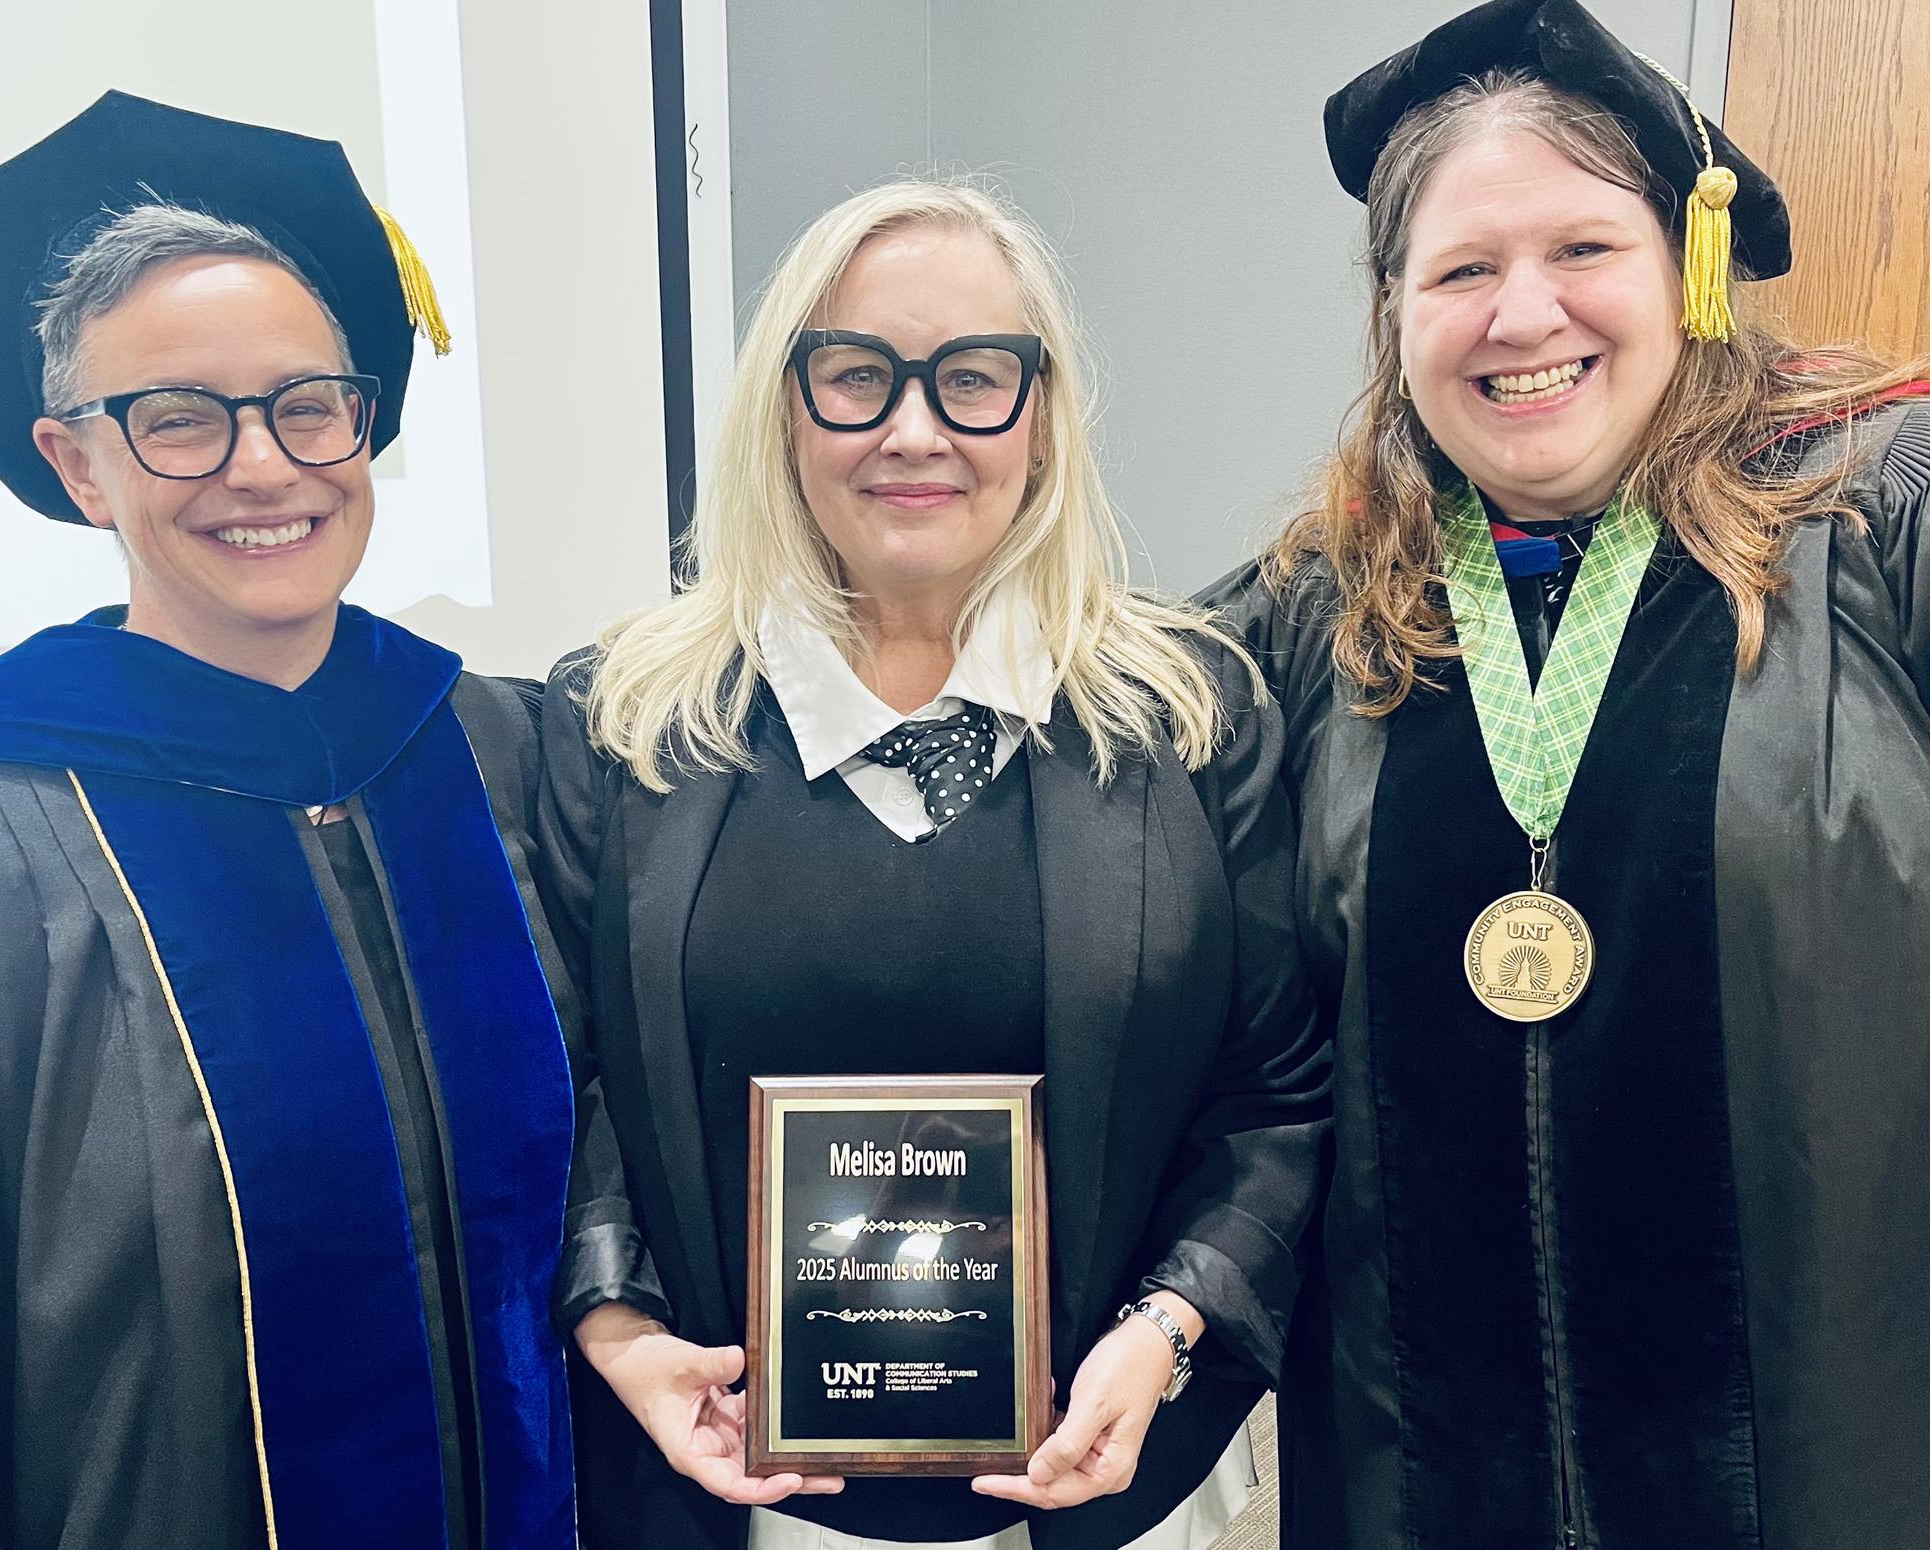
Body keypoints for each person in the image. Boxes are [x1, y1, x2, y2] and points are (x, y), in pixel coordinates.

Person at [1201, 2, 1930, 1546]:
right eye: (1461, 269)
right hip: (1413, 1488)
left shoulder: (1880, 527)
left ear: (1686, 267)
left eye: (1584, 248)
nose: (1523, 314)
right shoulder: (1309, 619)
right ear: (1395, 313)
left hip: (1834, 1470)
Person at [539, 181, 1330, 1550]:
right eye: (857, 375)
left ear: (1043, 414)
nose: (914, 430)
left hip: (1112, 1480)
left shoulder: (1191, 716)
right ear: (784, 410)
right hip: (730, 1486)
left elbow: (1276, 1090)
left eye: (973, 377)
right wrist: (617, 1324)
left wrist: (1167, 1326)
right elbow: (561, 1084)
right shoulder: (625, 721)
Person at [0, 93, 579, 1548]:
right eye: (180, 420)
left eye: (305, 404)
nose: (263, 466)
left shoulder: (495, 748)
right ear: (79, 465)